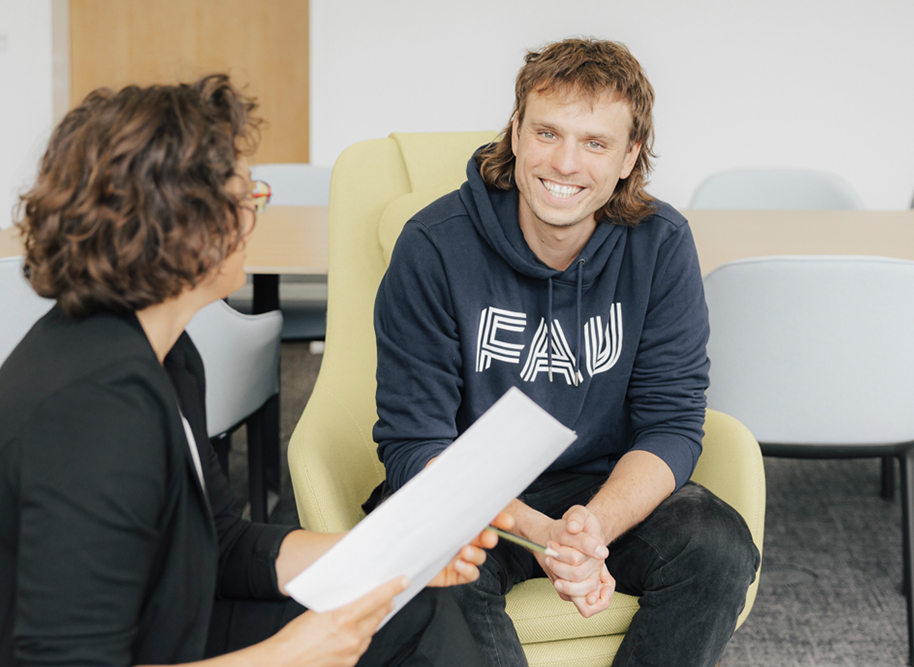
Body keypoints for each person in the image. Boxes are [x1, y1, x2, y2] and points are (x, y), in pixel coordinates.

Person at [0, 75, 510, 667]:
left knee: (416, 608)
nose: (253, 216)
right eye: (245, 199)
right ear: (177, 222)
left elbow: (223, 543)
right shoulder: (91, 414)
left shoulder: (163, 352)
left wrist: (388, 553)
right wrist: (290, 655)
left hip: (165, 618)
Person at [371, 39, 760, 667]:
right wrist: (536, 532)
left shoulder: (660, 245)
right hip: (471, 495)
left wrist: (591, 529)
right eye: (547, 133)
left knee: (716, 544)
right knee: (427, 560)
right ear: (516, 134)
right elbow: (414, 444)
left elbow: (672, 423)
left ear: (631, 156)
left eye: (596, 143)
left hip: (600, 486)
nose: (566, 163)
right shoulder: (433, 246)